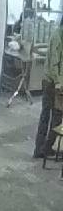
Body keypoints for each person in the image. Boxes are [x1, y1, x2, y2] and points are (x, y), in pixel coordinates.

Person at [32, 20, 63, 159]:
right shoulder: (58, 36)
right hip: (52, 82)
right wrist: (59, 82)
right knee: (53, 115)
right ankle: (42, 148)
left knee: (54, 116)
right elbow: (55, 63)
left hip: (55, 81)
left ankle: (45, 148)